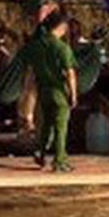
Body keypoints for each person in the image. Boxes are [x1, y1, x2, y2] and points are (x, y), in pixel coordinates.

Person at [25, 9, 79, 172]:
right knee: (61, 127)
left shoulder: (36, 46)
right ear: (62, 26)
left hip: (43, 91)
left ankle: (40, 152)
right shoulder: (62, 48)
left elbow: (30, 71)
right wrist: (73, 95)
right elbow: (70, 73)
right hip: (59, 91)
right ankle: (59, 160)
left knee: (47, 124)